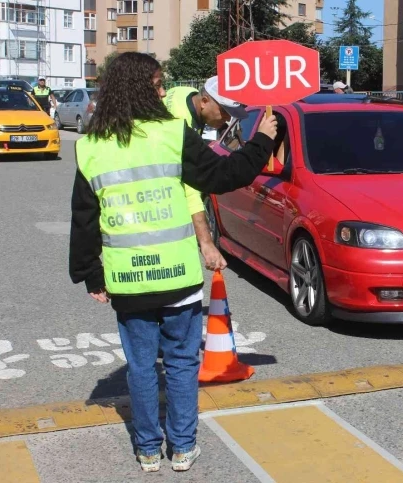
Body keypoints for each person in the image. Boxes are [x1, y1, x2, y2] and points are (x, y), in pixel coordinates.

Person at [69, 52, 277, 473]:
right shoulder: (171, 133)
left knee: (141, 367)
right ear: (140, 87)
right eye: (159, 84)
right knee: (182, 365)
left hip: (127, 281)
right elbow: (221, 176)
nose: (164, 92)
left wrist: (92, 274)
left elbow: (84, 219)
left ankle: (147, 450)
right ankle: (182, 448)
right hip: (178, 278)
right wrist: (263, 141)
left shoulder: (90, 146)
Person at [164, 76, 249, 272]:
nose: (228, 119)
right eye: (225, 112)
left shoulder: (185, 92)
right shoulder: (180, 123)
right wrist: (206, 242)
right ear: (204, 102)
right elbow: (190, 189)